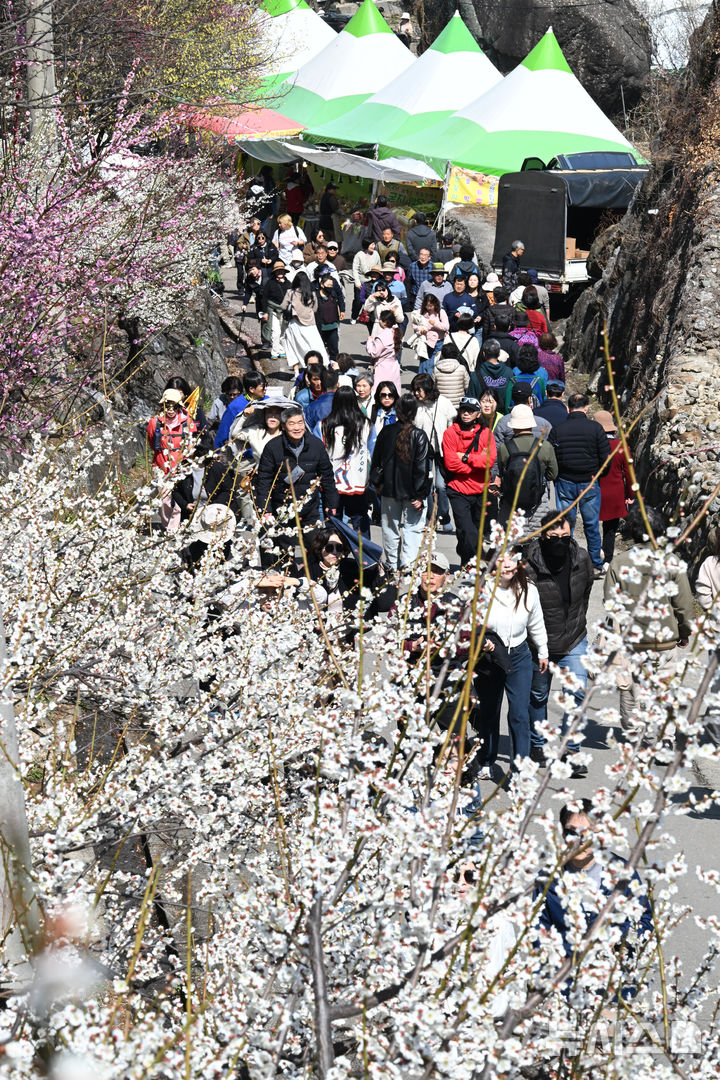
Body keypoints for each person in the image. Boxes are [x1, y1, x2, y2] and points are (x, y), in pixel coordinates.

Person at [604, 504, 694, 732]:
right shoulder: (671, 561)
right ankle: (665, 736)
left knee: (631, 688)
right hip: (664, 640)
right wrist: (684, 632)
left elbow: (610, 604)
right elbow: (683, 605)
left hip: (633, 641)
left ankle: (634, 733)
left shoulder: (619, 562)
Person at [536, 798, 653, 970]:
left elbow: (644, 919)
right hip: (564, 978)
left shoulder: (622, 873)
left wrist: (623, 945)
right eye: (571, 832)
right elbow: (538, 932)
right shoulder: (549, 879)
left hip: (611, 979)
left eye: (588, 834)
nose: (579, 841)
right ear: (562, 834)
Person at [524, 511, 594, 775]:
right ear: (543, 536)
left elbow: (586, 592)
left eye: (565, 537)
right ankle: (538, 744)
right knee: (538, 695)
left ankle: (570, 751)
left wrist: (576, 622)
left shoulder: (582, 559)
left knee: (576, 693)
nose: (560, 542)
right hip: (539, 644)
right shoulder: (529, 566)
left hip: (574, 638)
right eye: (555, 537)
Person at [474, 549, 548, 774]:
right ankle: (486, 760)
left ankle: (519, 769)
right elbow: (470, 624)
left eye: (511, 561)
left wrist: (543, 650)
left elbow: (536, 621)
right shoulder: (480, 590)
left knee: (519, 713)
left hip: (519, 654)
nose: (507, 566)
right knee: (488, 711)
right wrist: (481, 641)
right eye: (501, 562)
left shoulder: (529, 590)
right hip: (489, 657)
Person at [254, 406, 339, 567]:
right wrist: (265, 508)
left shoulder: (315, 445)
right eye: (292, 424)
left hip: (309, 509)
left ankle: (314, 584)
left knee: (315, 548)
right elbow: (264, 479)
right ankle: (286, 583)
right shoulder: (273, 447)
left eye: (300, 422)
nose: (297, 427)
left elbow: (327, 476)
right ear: (284, 426)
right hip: (282, 508)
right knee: (284, 552)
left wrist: (331, 503)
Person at [369, 392, 431, 570]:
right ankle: (408, 564)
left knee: (390, 528)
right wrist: (419, 494)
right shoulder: (419, 435)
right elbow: (421, 469)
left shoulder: (386, 432)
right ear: (414, 412)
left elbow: (376, 461)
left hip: (388, 489)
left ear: (397, 410)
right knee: (413, 529)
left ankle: (391, 563)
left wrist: (378, 484)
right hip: (412, 492)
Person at [552, 394, 611, 576]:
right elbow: (606, 458)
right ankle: (595, 564)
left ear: (568, 408)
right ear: (586, 408)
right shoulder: (596, 429)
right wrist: (599, 475)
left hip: (565, 482)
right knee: (592, 525)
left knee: (566, 525)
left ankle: (567, 561)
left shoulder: (558, 429)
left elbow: (552, 459)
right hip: (590, 482)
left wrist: (557, 476)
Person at [442, 396, 497, 564]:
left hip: (481, 490)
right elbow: (451, 464)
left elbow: (490, 460)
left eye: (470, 411)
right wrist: (476, 464)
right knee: (466, 529)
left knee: (475, 531)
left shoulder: (486, 434)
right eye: (463, 410)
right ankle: (476, 560)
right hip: (457, 489)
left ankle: (467, 562)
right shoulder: (450, 433)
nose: (466, 413)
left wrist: (465, 458)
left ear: (478, 414)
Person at [320, 386, 372, 536]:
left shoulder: (325, 425)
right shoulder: (365, 424)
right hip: (358, 480)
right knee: (359, 518)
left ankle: (333, 554)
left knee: (333, 521)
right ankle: (364, 556)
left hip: (332, 481)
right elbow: (370, 450)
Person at [495, 404, 557, 528]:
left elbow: (502, 472)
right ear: (531, 424)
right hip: (538, 504)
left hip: (510, 504)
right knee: (536, 543)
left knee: (512, 543)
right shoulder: (545, 446)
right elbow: (553, 474)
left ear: (513, 426)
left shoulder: (504, 448)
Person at [146, 388, 199, 530]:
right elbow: (152, 442)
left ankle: (175, 528)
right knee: (165, 500)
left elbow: (192, 443)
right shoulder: (154, 422)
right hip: (161, 466)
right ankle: (168, 525)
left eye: (174, 406)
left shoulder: (187, 421)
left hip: (182, 467)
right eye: (167, 405)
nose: (170, 410)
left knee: (181, 498)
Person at [411, 374, 456, 532]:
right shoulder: (415, 404)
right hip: (424, 452)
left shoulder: (443, 402)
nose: (416, 393)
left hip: (442, 451)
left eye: (419, 389)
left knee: (441, 485)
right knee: (428, 486)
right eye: (415, 390)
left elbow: (452, 423)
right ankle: (431, 518)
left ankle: (444, 517)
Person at [593, 410, 634, 564]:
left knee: (591, 525)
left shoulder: (593, 445)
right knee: (610, 528)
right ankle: (607, 558)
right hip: (615, 492)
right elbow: (630, 473)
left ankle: (595, 555)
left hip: (595, 490)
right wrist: (630, 494)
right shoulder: (621, 446)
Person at [282, 271, 328, 376]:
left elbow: (283, 306)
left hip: (295, 324)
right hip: (311, 325)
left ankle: (296, 372)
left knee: (293, 348)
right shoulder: (312, 294)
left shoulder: (291, 292)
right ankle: (320, 367)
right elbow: (315, 309)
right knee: (316, 346)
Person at [214, 371, 268, 449]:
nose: (265, 389)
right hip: (242, 452)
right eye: (263, 386)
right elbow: (223, 431)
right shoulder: (235, 406)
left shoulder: (268, 401)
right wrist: (218, 451)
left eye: (266, 385)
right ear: (251, 389)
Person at [492, 383, 553, 447]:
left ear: (512, 398)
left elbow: (496, 449)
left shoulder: (503, 422)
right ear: (530, 399)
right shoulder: (544, 423)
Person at [470, 339, 515, 413]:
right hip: (504, 416)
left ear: (484, 354)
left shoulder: (476, 374)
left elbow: (472, 398)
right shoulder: (509, 372)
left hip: (482, 417)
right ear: (499, 353)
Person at [410, 293, 449, 375]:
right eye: (427, 306)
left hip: (438, 342)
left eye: (431, 306)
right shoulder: (420, 312)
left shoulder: (441, 312)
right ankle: (421, 381)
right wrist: (421, 330)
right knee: (423, 362)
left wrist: (435, 323)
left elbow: (446, 327)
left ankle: (430, 382)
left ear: (435, 304)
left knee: (433, 363)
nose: (429, 308)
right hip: (425, 341)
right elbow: (414, 325)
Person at [366, 310, 403, 393]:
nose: (379, 321)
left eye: (380, 319)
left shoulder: (382, 337)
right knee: (393, 391)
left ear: (385, 322)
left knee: (381, 390)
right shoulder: (396, 332)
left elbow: (374, 353)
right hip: (393, 365)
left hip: (383, 367)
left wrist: (369, 342)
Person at [260, 261, 290, 359]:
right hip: (272, 310)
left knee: (283, 333)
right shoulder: (270, 283)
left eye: (282, 271)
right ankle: (274, 352)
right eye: (278, 271)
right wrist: (264, 312)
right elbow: (264, 298)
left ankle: (282, 350)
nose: (280, 273)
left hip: (284, 311)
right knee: (276, 332)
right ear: (275, 272)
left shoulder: (289, 283)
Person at [315, 269, 344, 363]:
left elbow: (340, 299)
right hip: (320, 328)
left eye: (331, 285)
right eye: (328, 285)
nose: (330, 287)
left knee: (334, 349)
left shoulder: (333, 294)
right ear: (322, 285)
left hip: (333, 326)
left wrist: (342, 311)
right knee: (319, 350)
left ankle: (334, 368)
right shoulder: (315, 296)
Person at [351, 238, 382, 322]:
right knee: (358, 300)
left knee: (372, 299)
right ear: (366, 245)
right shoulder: (359, 255)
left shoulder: (376, 254)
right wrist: (357, 282)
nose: (373, 246)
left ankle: (370, 317)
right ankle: (354, 316)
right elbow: (355, 269)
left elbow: (379, 266)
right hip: (361, 281)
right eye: (371, 244)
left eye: (374, 244)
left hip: (373, 281)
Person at [433, 343, 470, 408]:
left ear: (442, 354)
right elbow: (467, 386)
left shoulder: (436, 369)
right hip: (458, 405)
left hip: (441, 404)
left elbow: (433, 386)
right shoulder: (461, 368)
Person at [305, 367, 340, 432]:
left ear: (321, 384)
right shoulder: (347, 403)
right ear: (338, 384)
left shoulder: (312, 407)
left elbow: (308, 430)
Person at [370, 381, 399, 446]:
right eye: (383, 395)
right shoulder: (373, 410)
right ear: (378, 396)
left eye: (390, 395)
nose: (387, 398)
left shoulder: (400, 412)